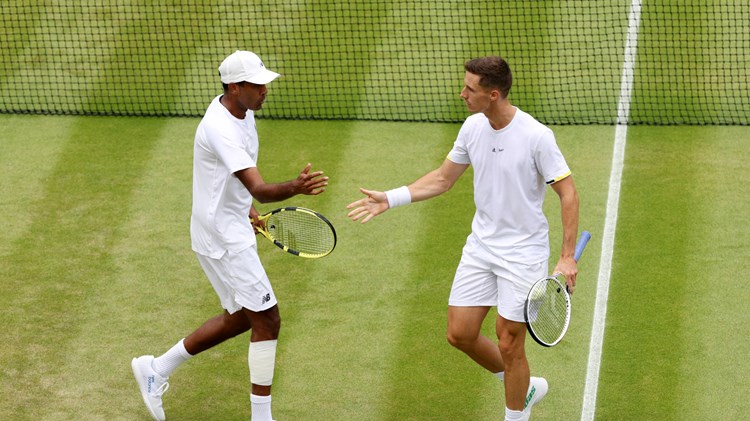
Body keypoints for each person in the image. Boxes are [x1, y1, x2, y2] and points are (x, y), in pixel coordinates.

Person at [346, 56, 579, 421]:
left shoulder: (536, 136)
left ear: (494, 94)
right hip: (482, 246)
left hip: (522, 253)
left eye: (470, 89)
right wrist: (391, 198)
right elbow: (442, 179)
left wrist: (567, 257)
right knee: (460, 334)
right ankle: (525, 387)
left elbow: (568, 192)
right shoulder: (472, 128)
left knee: (509, 341)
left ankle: (516, 413)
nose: (462, 94)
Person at [131, 50, 328, 421]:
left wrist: (246, 209)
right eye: (257, 85)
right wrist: (295, 187)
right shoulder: (220, 128)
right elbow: (261, 187)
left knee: (241, 316)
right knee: (268, 319)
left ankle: (156, 368)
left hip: (222, 225)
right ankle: (261, 417)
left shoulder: (242, 111)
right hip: (223, 236)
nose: (265, 90)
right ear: (235, 87)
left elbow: (231, 180)